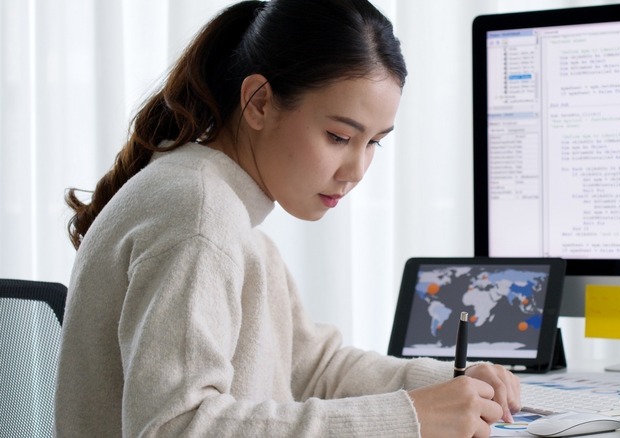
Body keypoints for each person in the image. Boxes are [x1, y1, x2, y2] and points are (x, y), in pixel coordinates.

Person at [55, 0, 521, 436]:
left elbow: (313, 368)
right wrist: (408, 419)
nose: (357, 170)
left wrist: (448, 383)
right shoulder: (199, 216)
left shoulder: (220, 207)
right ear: (259, 102)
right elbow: (176, 426)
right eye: (339, 137)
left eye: (374, 142)